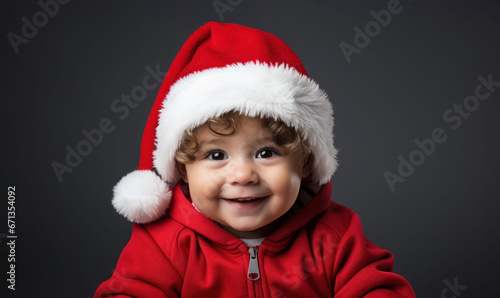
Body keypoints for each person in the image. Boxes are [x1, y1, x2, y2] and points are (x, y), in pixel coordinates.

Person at [95, 22, 415, 297]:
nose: (243, 174)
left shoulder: (335, 235)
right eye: (216, 155)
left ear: (304, 163)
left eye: (267, 153)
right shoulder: (164, 243)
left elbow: (375, 288)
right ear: (183, 168)